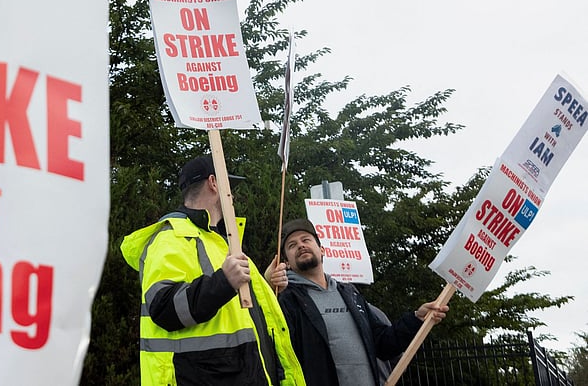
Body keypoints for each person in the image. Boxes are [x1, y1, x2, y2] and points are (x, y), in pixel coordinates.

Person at [120, 155, 306, 386]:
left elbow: (233, 315)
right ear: (213, 183)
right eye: (230, 187)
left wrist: (264, 286)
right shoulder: (171, 238)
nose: (234, 196)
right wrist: (224, 281)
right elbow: (163, 306)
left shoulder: (218, 241)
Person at [271, 218, 449, 386]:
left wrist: (416, 318)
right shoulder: (286, 301)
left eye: (306, 240)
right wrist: (271, 288)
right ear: (286, 262)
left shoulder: (350, 294)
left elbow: (383, 344)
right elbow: (277, 358)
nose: (301, 246)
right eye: (292, 245)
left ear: (322, 249)